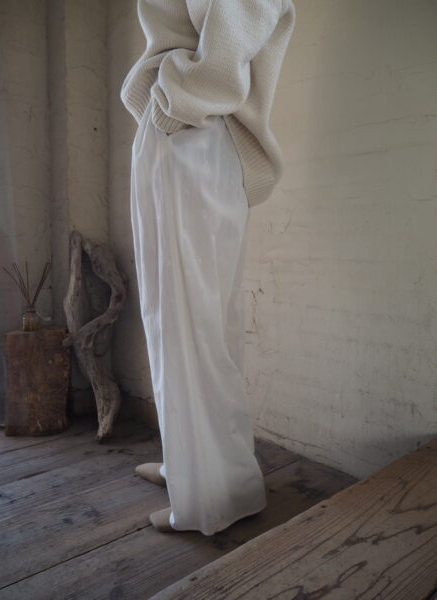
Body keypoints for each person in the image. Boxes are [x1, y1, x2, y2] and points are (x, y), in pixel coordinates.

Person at [121, 0, 296, 535]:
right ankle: (194, 467)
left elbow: (243, 20)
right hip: (182, 127)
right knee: (180, 319)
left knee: (191, 321)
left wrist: (175, 102)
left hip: (194, 131)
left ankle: (215, 496)